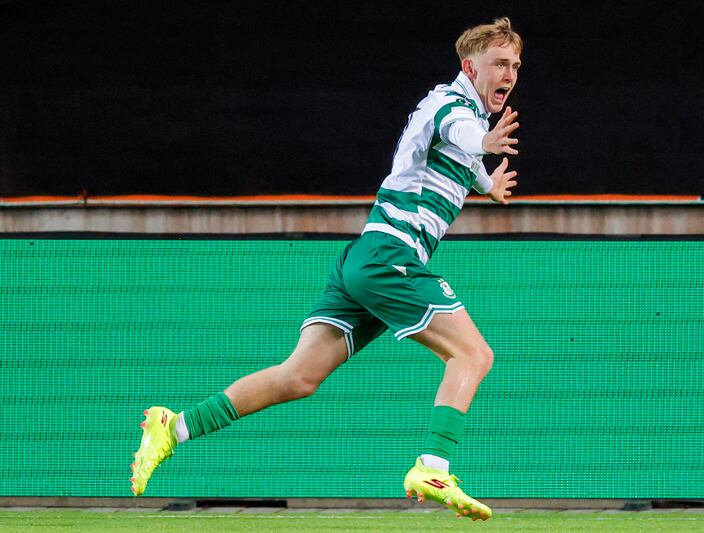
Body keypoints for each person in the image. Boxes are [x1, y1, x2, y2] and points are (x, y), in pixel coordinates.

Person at [131, 17, 522, 521]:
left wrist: (487, 182)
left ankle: (175, 426)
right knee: (473, 355)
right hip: (389, 258)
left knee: (298, 377)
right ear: (470, 67)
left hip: (366, 258)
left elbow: (460, 153)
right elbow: (463, 134)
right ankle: (433, 465)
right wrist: (484, 148)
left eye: (514, 64)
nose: (509, 72)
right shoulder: (453, 106)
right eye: (499, 63)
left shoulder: (460, 113)